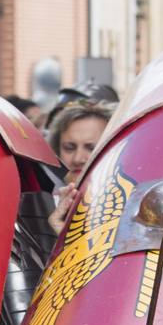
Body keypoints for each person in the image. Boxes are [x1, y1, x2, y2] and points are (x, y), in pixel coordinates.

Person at [44, 98, 113, 233]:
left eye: (91, 147)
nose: (78, 158)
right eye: (69, 148)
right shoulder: (40, 210)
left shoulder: (135, 208)